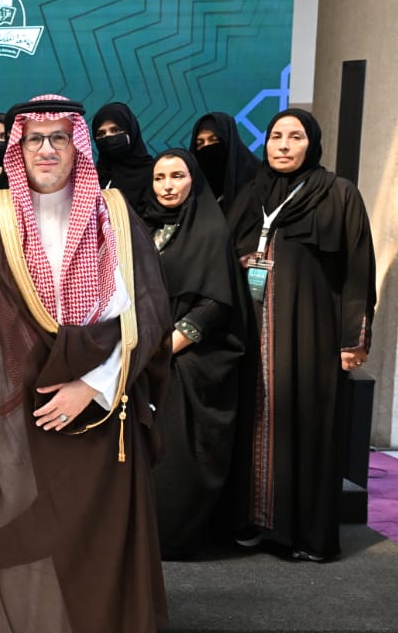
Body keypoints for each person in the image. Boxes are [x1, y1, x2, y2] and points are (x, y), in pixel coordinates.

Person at [0, 94, 170, 633]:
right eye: (34, 139)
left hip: (95, 421)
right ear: (17, 149)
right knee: (7, 551)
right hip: (8, 424)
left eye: (59, 138)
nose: (46, 150)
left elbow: (146, 314)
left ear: (79, 147)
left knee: (91, 559)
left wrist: (92, 387)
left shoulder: (115, 215)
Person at [228, 108, 375, 562]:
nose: (284, 145)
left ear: (312, 143)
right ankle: (256, 523)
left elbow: (358, 269)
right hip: (254, 332)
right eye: (276, 136)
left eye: (295, 137)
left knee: (307, 426)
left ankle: (305, 534)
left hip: (311, 333)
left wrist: (353, 340)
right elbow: (225, 251)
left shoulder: (338, 194)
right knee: (254, 424)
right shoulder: (252, 193)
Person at [138, 149, 247, 559]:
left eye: (177, 176)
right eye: (160, 178)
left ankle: (173, 536)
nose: (167, 186)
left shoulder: (210, 231)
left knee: (177, 454)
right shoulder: (143, 227)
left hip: (186, 360)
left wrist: (167, 347)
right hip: (142, 354)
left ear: (194, 181)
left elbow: (216, 302)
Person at [190, 111, 261, 216]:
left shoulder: (257, 177)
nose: (207, 147)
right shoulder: (193, 184)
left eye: (214, 140)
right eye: (200, 143)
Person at [92, 101, 156, 206]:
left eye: (115, 130)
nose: (108, 137)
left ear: (131, 132)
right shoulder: (93, 179)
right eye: (101, 133)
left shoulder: (154, 175)